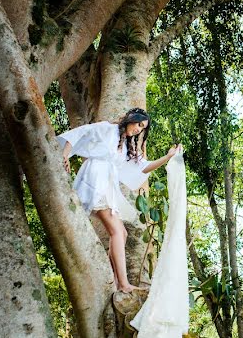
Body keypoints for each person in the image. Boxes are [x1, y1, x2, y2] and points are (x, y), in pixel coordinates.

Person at [57, 108, 182, 293]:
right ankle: (123, 284)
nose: (139, 129)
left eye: (143, 128)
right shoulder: (107, 129)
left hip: (108, 185)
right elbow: (79, 133)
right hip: (95, 179)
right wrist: (65, 154)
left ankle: (113, 280)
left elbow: (144, 168)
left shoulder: (125, 147)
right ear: (131, 119)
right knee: (117, 231)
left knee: (122, 233)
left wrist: (168, 156)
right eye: (139, 124)